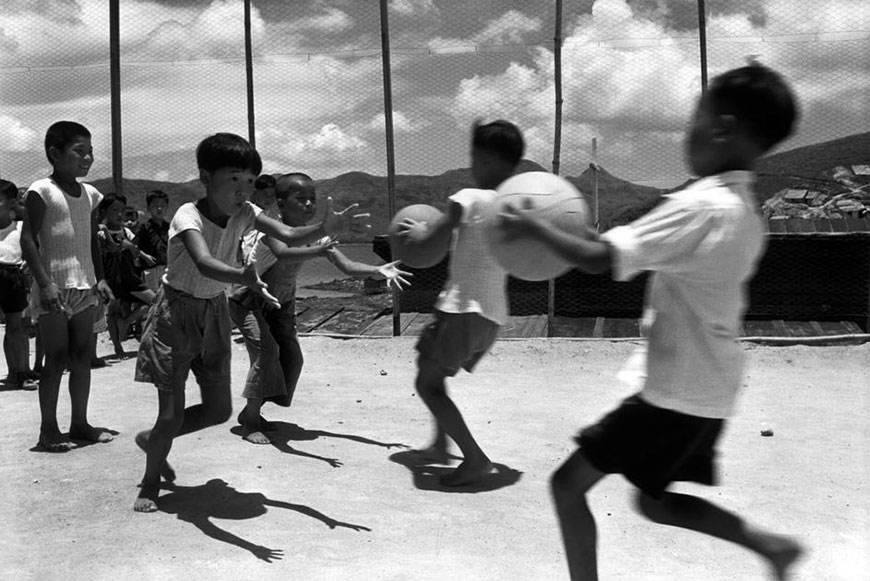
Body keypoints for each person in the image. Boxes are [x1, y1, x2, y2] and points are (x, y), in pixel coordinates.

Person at [498, 63, 804, 580]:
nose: (688, 131)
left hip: (673, 392)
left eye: (695, 118)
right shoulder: (746, 211)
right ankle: (768, 546)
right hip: (711, 388)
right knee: (655, 502)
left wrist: (534, 225)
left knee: (567, 486)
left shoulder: (699, 204)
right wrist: (600, 237)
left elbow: (599, 261)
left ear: (722, 128)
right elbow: (658, 255)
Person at [133, 132, 370, 513]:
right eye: (233, 179)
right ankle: (150, 481)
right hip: (174, 315)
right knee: (172, 412)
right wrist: (243, 276)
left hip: (213, 312)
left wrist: (327, 226)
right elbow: (204, 262)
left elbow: (290, 233)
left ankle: (152, 438)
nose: (243, 189)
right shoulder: (187, 216)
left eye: (248, 181)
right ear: (206, 177)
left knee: (217, 411)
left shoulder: (246, 213)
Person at [229, 172, 411, 444]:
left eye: (312, 199)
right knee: (267, 354)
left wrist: (378, 269)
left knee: (292, 359)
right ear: (280, 204)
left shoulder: (318, 237)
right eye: (300, 199)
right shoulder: (268, 231)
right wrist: (319, 250)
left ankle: (252, 410)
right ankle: (251, 423)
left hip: (281, 303)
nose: (308, 204)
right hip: (249, 300)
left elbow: (348, 267)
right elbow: (283, 252)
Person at [393, 119, 523, 486]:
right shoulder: (512, 205)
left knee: (429, 384)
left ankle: (476, 458)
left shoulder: (469, 197)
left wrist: (418, 232)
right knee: (426, 361)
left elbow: (433, 234)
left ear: (483, 159)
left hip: (462, 311)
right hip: (490, 315)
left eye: (473, 156)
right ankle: (438, 445)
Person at [20, 120, 116, 452]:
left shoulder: (90, 194)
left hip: (85, 287)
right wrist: (44, 284)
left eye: (90, 152)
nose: (87, 159)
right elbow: (28, 241)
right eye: (79, 152)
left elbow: (91, 241)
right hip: (54, 288)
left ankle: (80, 423)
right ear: (55, 153)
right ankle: (49, 430)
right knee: (56, 358)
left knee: (81, 357)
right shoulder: (41, 191)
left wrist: (100, 278)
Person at [97, 193, 157, 359]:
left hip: (129, 276)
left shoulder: (126, 231)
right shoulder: (100, 233)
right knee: (113, 311)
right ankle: (117, 347)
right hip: (112, 278)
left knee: (155, 301)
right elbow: (114, 247)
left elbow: (133, 248)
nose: (119, 214)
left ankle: (128, 320)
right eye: (114, 210)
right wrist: (124, 244)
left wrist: (143, 256)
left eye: (122, 210)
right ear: (104, 211)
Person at [0, 179, 38, 390]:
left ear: (12, 203)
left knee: (16, 327)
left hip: (13, 276)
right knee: (12, 329)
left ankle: (21, 371)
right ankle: (13, 370)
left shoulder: (22, 227)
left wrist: (29, 265)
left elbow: (33, 250)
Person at [135, 189, 169, 292]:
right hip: (150, 270)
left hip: (167, 268)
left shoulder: (170, 227)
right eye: (155, 206)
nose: (159, 209)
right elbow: (133, 246)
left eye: (163, 206)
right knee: (153, 300)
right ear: (148, 207)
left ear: (167, 207)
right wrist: (145, 256)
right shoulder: (144, 227)